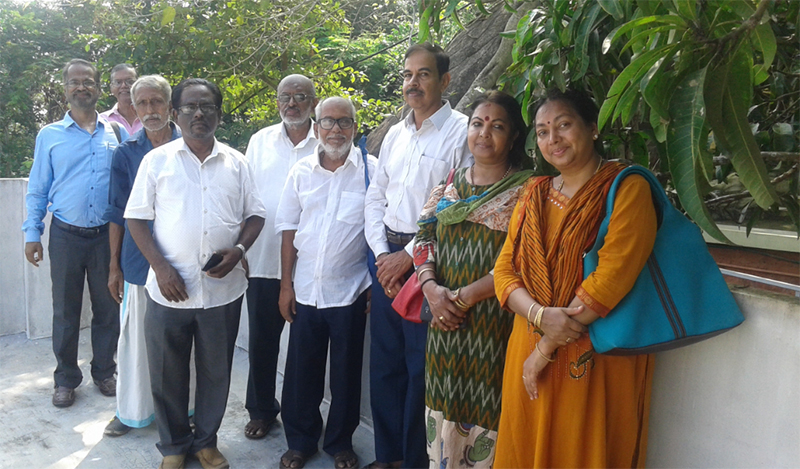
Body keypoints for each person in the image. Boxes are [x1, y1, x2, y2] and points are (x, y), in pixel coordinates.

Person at [492, 88, 658, 468]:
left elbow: (611, 278)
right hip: (527, 349)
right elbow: (504, 271)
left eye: (564, 125)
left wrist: (545, 348)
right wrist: (539, 316)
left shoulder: (627, 188)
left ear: (593, 128)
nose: (553, 139)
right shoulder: (533, 193)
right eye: (543, 131)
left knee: (581, 450)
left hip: (591, 357)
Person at [125, 78, 266, 469]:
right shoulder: (157, 161)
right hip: (169, 289)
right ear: (176, 113)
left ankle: (205, 442)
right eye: (189, 107)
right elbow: (136, 218)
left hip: (222, 291)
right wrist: (161, 267)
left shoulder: (237, 162)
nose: (198, 114)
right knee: (167, 372)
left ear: (219, 114)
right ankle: (173, 447)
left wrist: (240, 251)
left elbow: (256, 214)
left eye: (207, 107)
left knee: (216, 372)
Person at [363, 42, 471, 469]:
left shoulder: (461, 132)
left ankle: (413, 461)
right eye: (408, 75)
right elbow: (376, 195)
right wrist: (381, 254)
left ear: (445, 80)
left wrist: (408, 257)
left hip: (429, 262)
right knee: (384, 363)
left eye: (423, 74)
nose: (413, 83)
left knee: (419, 366)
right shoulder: (396, 133)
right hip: (385, 258)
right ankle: (387, 457)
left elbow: (455, 206)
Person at [413, 91, 532, 467]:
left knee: (489, 409)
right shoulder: (449, 184)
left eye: (497, 126)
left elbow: (524, 259)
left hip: (493, 326)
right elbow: (424, 239)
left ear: (514, 137)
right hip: (443, 324)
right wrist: (431, 290)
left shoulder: (529, 191)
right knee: (441, 407)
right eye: (478, 124)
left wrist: (463, 297)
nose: (484, 133)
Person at [275, 97, 376, 469]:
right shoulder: (301, 171)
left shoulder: (371, 171)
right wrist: (286, 286)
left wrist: (374, 283)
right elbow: (288, 229)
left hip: (351, 290)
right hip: (305, 289)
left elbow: (377, 228)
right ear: (316, 127)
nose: (336, 129)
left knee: (346, 374)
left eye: (344, 122)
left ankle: (340, 443)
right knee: (301, 372)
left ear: (355, 127)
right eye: (328, 122)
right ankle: (300, 441)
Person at [23, 58, 128, 408]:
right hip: (65, 235)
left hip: (107, 238)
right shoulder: (50, 135)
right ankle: (66, 378)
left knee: (108, 308)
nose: (81, 87)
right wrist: (32, 232)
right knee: (65, 312)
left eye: (88, 81)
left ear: (98, 88)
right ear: (66, 88)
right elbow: (38, 187)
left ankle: (105, 371)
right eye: (74, 82)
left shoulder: (117, 133)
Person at [103, 74, 186, 437]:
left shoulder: (192, 145)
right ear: (134, 109)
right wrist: (114, 266)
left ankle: (186, 411)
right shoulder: (126, 153)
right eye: (143, 103)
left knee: (182, 344)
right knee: (135, 342)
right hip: (138, 264)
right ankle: (131, 411)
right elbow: (117, 212)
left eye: (157, 102)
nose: (150, 110)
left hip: (183, 262)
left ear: (170, 106)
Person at [242, 74, 319, 440]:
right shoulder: (260, 141)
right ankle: (260, 410)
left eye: (300, 96)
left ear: (313, 102)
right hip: (263, 257)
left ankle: (300, 416)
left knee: (305, 348)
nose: (292, 103)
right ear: (276, 102)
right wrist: (240, 246)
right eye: (285, 96)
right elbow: (243, 195)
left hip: (311, 264)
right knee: (261, 342)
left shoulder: (329, 139)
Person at [100, 64, 142, 135]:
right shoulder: (102, 121)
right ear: (111, 88)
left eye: (129, 81)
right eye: (118, 82)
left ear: (138, 84)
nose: (123, 86)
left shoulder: (150, 117)